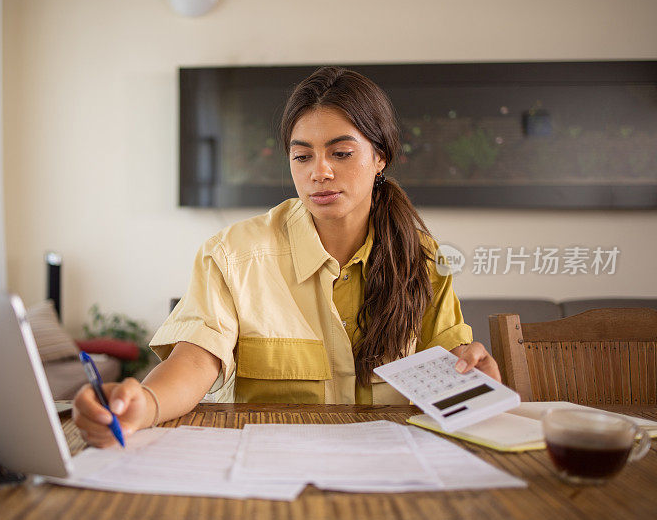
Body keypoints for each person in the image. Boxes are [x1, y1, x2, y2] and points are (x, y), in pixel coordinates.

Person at [73, 67, 500, 448]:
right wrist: (143, 405)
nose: (319, 172)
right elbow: (196, 359)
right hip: (270, 467)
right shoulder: (233, 254)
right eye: (302, 156)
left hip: (393, 467)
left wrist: (475, 377)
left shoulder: (422, 259)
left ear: (380, 156)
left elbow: (453, 372)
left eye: (341, 153)